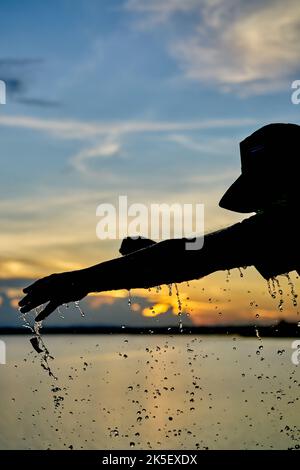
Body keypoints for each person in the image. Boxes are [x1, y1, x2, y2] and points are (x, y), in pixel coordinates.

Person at [19, 123, 300, 321]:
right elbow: (205, 254)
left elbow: (204, 255)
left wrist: (80, 280)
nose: (264, 210)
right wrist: (153, 255)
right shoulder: (282, 227)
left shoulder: (289, 220)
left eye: (271, 192)